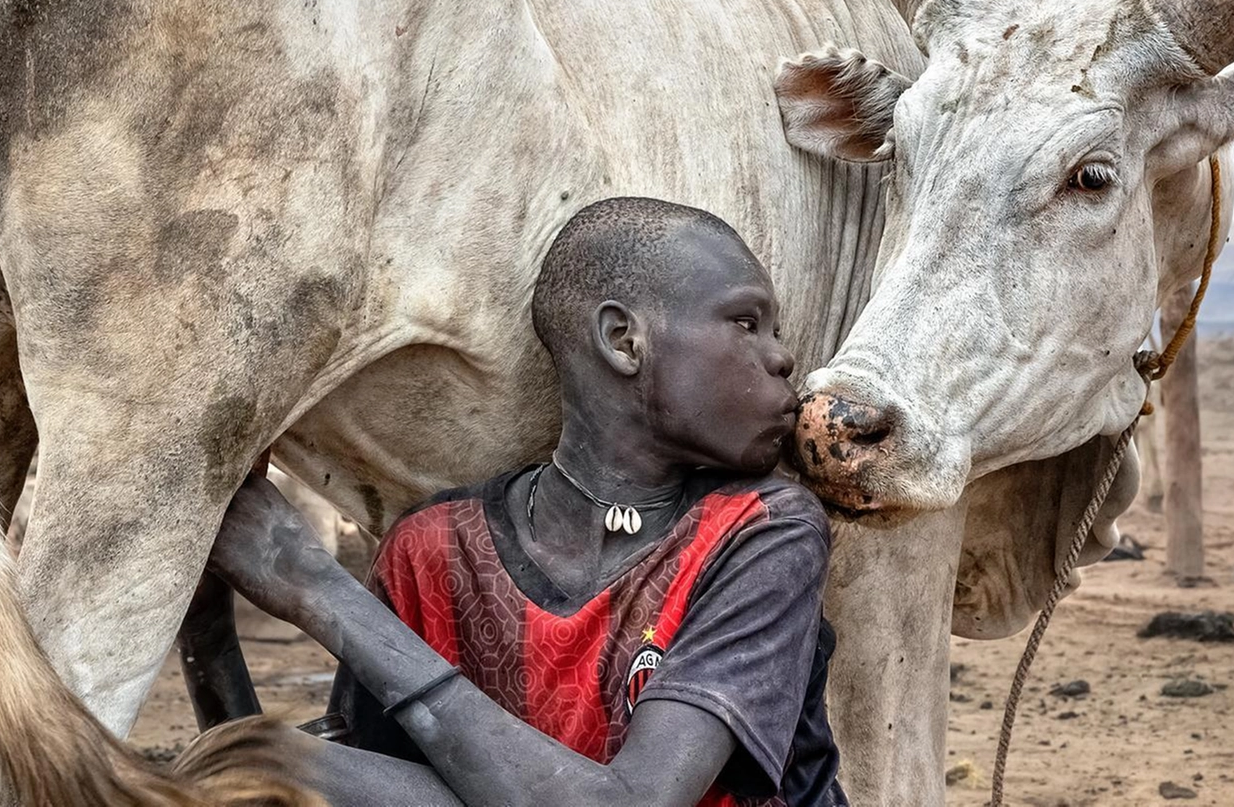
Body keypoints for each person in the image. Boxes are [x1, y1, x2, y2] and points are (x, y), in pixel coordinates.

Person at [208, 197, 845, 806]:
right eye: (746, 322)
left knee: (259, 769)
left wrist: (317, 589)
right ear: (624, 340)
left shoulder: (762, 532)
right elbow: (379, 775)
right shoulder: (432, 551)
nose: (784, 356)